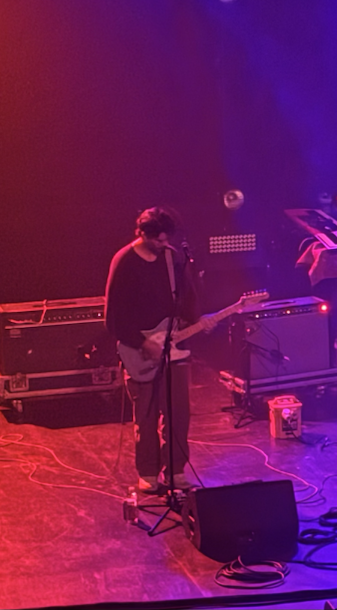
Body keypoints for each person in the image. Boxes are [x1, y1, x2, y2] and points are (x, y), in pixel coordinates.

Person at [105, 207, 205, 493]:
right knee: (146, 417)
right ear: (143, 234)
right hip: (139, 350)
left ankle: (175, 471)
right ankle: (148, 473)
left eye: (166, 240)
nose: (164, 245)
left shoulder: (173, 258)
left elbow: (185, 299)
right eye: (158, 241)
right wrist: (142, 342)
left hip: (173, 347)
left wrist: (194, 322)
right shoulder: (124, 261)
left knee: (178, 414)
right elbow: (112, 317)